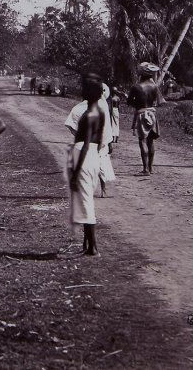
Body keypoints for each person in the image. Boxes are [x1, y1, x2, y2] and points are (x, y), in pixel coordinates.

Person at [68, 75, 106, 256]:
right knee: (86, 198)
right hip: (92, 156)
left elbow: (85, 144)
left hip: (84, 156)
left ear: (90, 93)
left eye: (84, 89)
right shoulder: (100, 111)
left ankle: (93, 247)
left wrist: (75, 172)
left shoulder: (89, 114)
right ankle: (87, 245)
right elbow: (97, 143)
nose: (82, 92)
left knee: (86, 202)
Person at [65, 82, 116, 197]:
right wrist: (109, 141)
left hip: (95, 140)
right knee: (100, 163)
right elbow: (107, 126)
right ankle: (102, 190)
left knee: (90, 163)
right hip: (98, 140)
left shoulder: (92, 105)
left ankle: (90, 189)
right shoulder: (101, 105)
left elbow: (72, 121)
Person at [127, 62, 162, 175]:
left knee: (142, 140)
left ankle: (145, 169)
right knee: (150, 141)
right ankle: (150, 168)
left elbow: (130, 102)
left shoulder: (136, 87)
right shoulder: (155, 86)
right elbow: (157, 101)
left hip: (142, 114)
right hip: (152, 114)